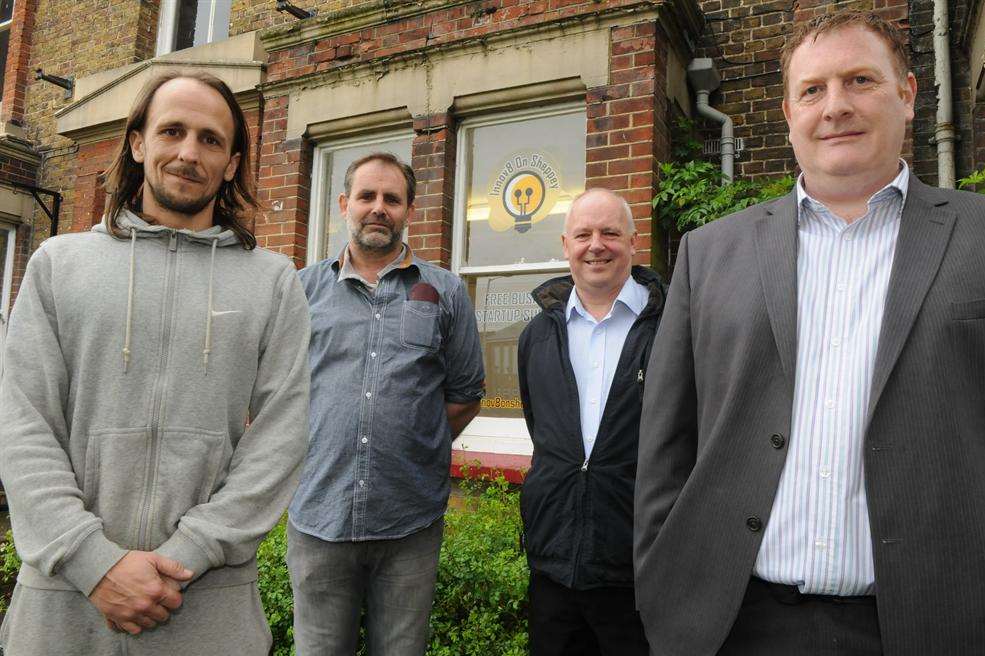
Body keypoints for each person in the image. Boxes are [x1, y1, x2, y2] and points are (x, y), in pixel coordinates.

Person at [634, 10, 985, 655]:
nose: (836, 107)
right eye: (813, 89)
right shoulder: (709, 253)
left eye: (860, 80)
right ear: (789, 111)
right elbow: (666, 442)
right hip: (733, 624)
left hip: (930, 624)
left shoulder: (979, 237)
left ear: (908, 95)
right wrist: (664, 579)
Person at [0, 71, 311, 655]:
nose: (189, 153)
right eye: (172, 131)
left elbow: (281, 438)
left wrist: (187, 555)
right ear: (138, 144)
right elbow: (22, 424)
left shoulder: (273, 283)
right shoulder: (57, 265)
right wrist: (93, 562)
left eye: (210, 139)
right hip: (63, 608)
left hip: (205, 605)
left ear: (233, 162)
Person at [287, 152, 484, 656]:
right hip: (319, 517)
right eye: (367, 196)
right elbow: (272, 396)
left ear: (409, 210)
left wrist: (415, 442)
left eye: (392, 199)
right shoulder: (301, 290)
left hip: (409, 522)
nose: (379, 208)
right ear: (343, 205)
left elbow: (463, 395)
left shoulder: (444, 291)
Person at [517, 188, 663, 656]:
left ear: (634, 243)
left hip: (638, 569)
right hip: (553, 565)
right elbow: (543, 433)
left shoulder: (673, 327)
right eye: (583, 234)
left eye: (610, 233)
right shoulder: (538, 335)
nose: (595, 245)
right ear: (566, 245)